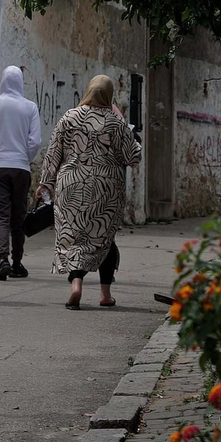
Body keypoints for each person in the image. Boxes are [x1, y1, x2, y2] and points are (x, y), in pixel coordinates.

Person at [37, 74, 140, 310]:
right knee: (104, 239)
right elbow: (133, 157)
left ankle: (76, 285)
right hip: (106, 189)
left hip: (70, 186)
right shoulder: (115, 123)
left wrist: (45, 183)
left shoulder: (69, 117)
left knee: (73, 238)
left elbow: (53, 154)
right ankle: (105, 295)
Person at [0, 65, 42, 281]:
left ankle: (3, 259)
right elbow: (35, 141)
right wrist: (25, 158)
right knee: (19, 216)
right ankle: (17, 262)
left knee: (1, 216)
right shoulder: (30, 107)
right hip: (21, 167)